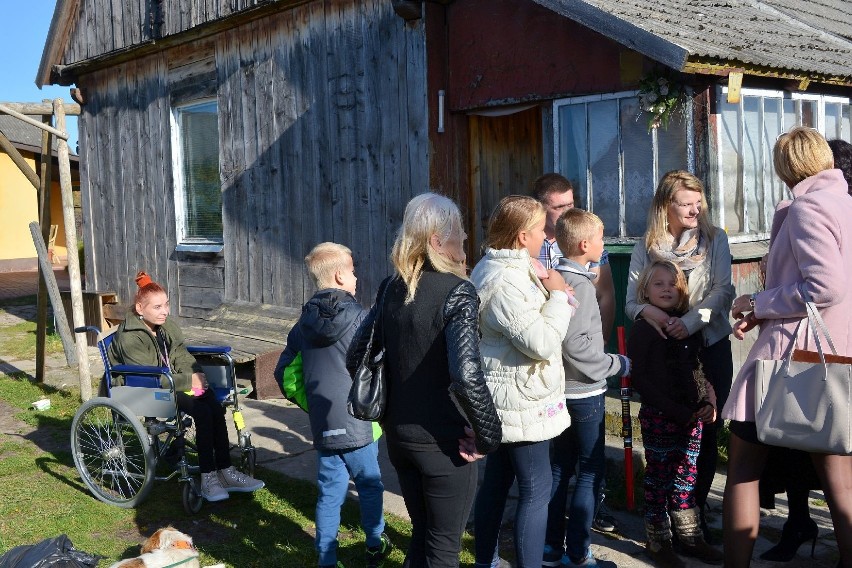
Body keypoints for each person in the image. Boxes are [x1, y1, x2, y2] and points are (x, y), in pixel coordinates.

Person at [347, 192, 502, 568]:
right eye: (460, 233)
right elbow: (466, 375)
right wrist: (489, 435)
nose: (465, 240)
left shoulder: (391, 288)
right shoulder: (458, 291)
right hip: (444, 444)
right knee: (444, 550)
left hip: (399, 438)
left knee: (422, 537)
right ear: (436, 240)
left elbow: (357, 356)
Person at [723, 126, 852, 568]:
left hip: (791, 360)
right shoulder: (845, 204)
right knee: (840, 481)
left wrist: (758, 301)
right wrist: (766, 310)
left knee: (742, 471)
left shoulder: (806, 209)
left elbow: (825, 287)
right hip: (834, 357)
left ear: (783, 168)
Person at [625, 170, 734, 542]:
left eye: (697, 201)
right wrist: (649, 313)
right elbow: (631, 301)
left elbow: (722, 293)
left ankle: (695, 513)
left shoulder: (715, 240)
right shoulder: (648, 244)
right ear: (665, 206)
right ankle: (663, 516)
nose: (694, 209)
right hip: (665, 354)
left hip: (708, 344)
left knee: (705, 429)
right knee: (667, 436)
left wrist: (688, 321)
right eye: (685, 203)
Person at [470, 195, 574, 568]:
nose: (546, 234)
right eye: (539, 229)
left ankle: (486, 560)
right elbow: (541, 343)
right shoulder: (503, 280)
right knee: (536, 489)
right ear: (520, 236)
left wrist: (549, 291)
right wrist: (559, 295)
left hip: (511, 393)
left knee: (498, 481)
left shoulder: (506, 267)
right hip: (517, 398)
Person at [274, 242, 391, 568]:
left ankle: (326, 558)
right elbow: (381, 364)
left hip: (325, 422)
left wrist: (311, 404)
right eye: (353, 271)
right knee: (369, 484)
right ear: (340, 275)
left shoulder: (303, 326)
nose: (356, 277)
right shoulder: (363, 319)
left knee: (329, 492)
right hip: (359, 422)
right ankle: (374, 542)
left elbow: (285, 374)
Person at [108, 271, 264, 503]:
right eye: (157, 307)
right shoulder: (130, 337)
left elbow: (179, 352)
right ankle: (208, 476)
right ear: (140, 309)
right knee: (201, 411)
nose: (165, 311)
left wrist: (194, 373)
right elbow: (148, 377)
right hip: (142, 389)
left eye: (166, 305)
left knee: (214, 405)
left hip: (169, 383)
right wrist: (187, 381)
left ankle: (225, 470)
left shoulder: (162, 326)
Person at [532, 173, 620, 534]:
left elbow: (606, 297)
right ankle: (570, 546)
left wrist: (597, 348)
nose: (569, 209)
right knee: (573, 461)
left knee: (577, 464)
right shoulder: (533, 250)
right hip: (555, 372)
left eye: (571, 202)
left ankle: (582, 521)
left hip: (584, 363)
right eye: (560, 206)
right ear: (543, 208)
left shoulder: (591, 250)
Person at [543, 208, 631, 568]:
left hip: (561, 389)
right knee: (590, 470)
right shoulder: (577, 284)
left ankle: (550, 550)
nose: (603, 244)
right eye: (600, 238)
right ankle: (578, 554)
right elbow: (576, 345)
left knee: (559, 470)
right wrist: (616, 364)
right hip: (583, 392)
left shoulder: (560, 276)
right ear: (584, 244)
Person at [627, 260, 722, 567]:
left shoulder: (688, 324)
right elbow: (639, 379)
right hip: (661, 416)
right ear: (645, 291)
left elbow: (698, 367)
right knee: (659, 478)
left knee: (687, 477)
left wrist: (708, 400)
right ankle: (658, 541)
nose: (667, 289)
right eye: (659, 284)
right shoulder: (643, 330)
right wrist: (675, 411)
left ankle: (689, 536)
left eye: (673, 284)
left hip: (692, 417)